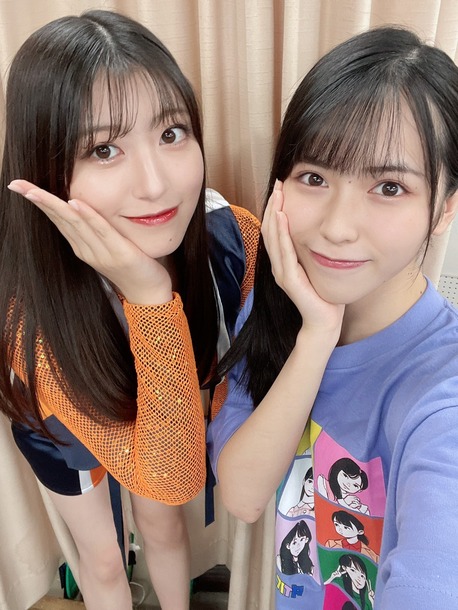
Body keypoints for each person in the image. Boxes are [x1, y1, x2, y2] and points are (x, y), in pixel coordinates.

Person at [0, 10, 259, 610]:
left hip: (160, 420)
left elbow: (171, 482)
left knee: (165, 527)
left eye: (171, 133)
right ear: (43, 169)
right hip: (62, 425)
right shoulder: (31, 321)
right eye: (104, 148)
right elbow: (169, 476)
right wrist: (147, 295)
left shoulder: (228, 236)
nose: (156, 184)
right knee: (103, 559)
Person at [207, 25, 458, 609]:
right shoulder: (272, 306)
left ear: (444, 208)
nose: (338, 227)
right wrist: (318, 334)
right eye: (314, 177)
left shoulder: (442, 395)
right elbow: (242, 496)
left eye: (389, 187)